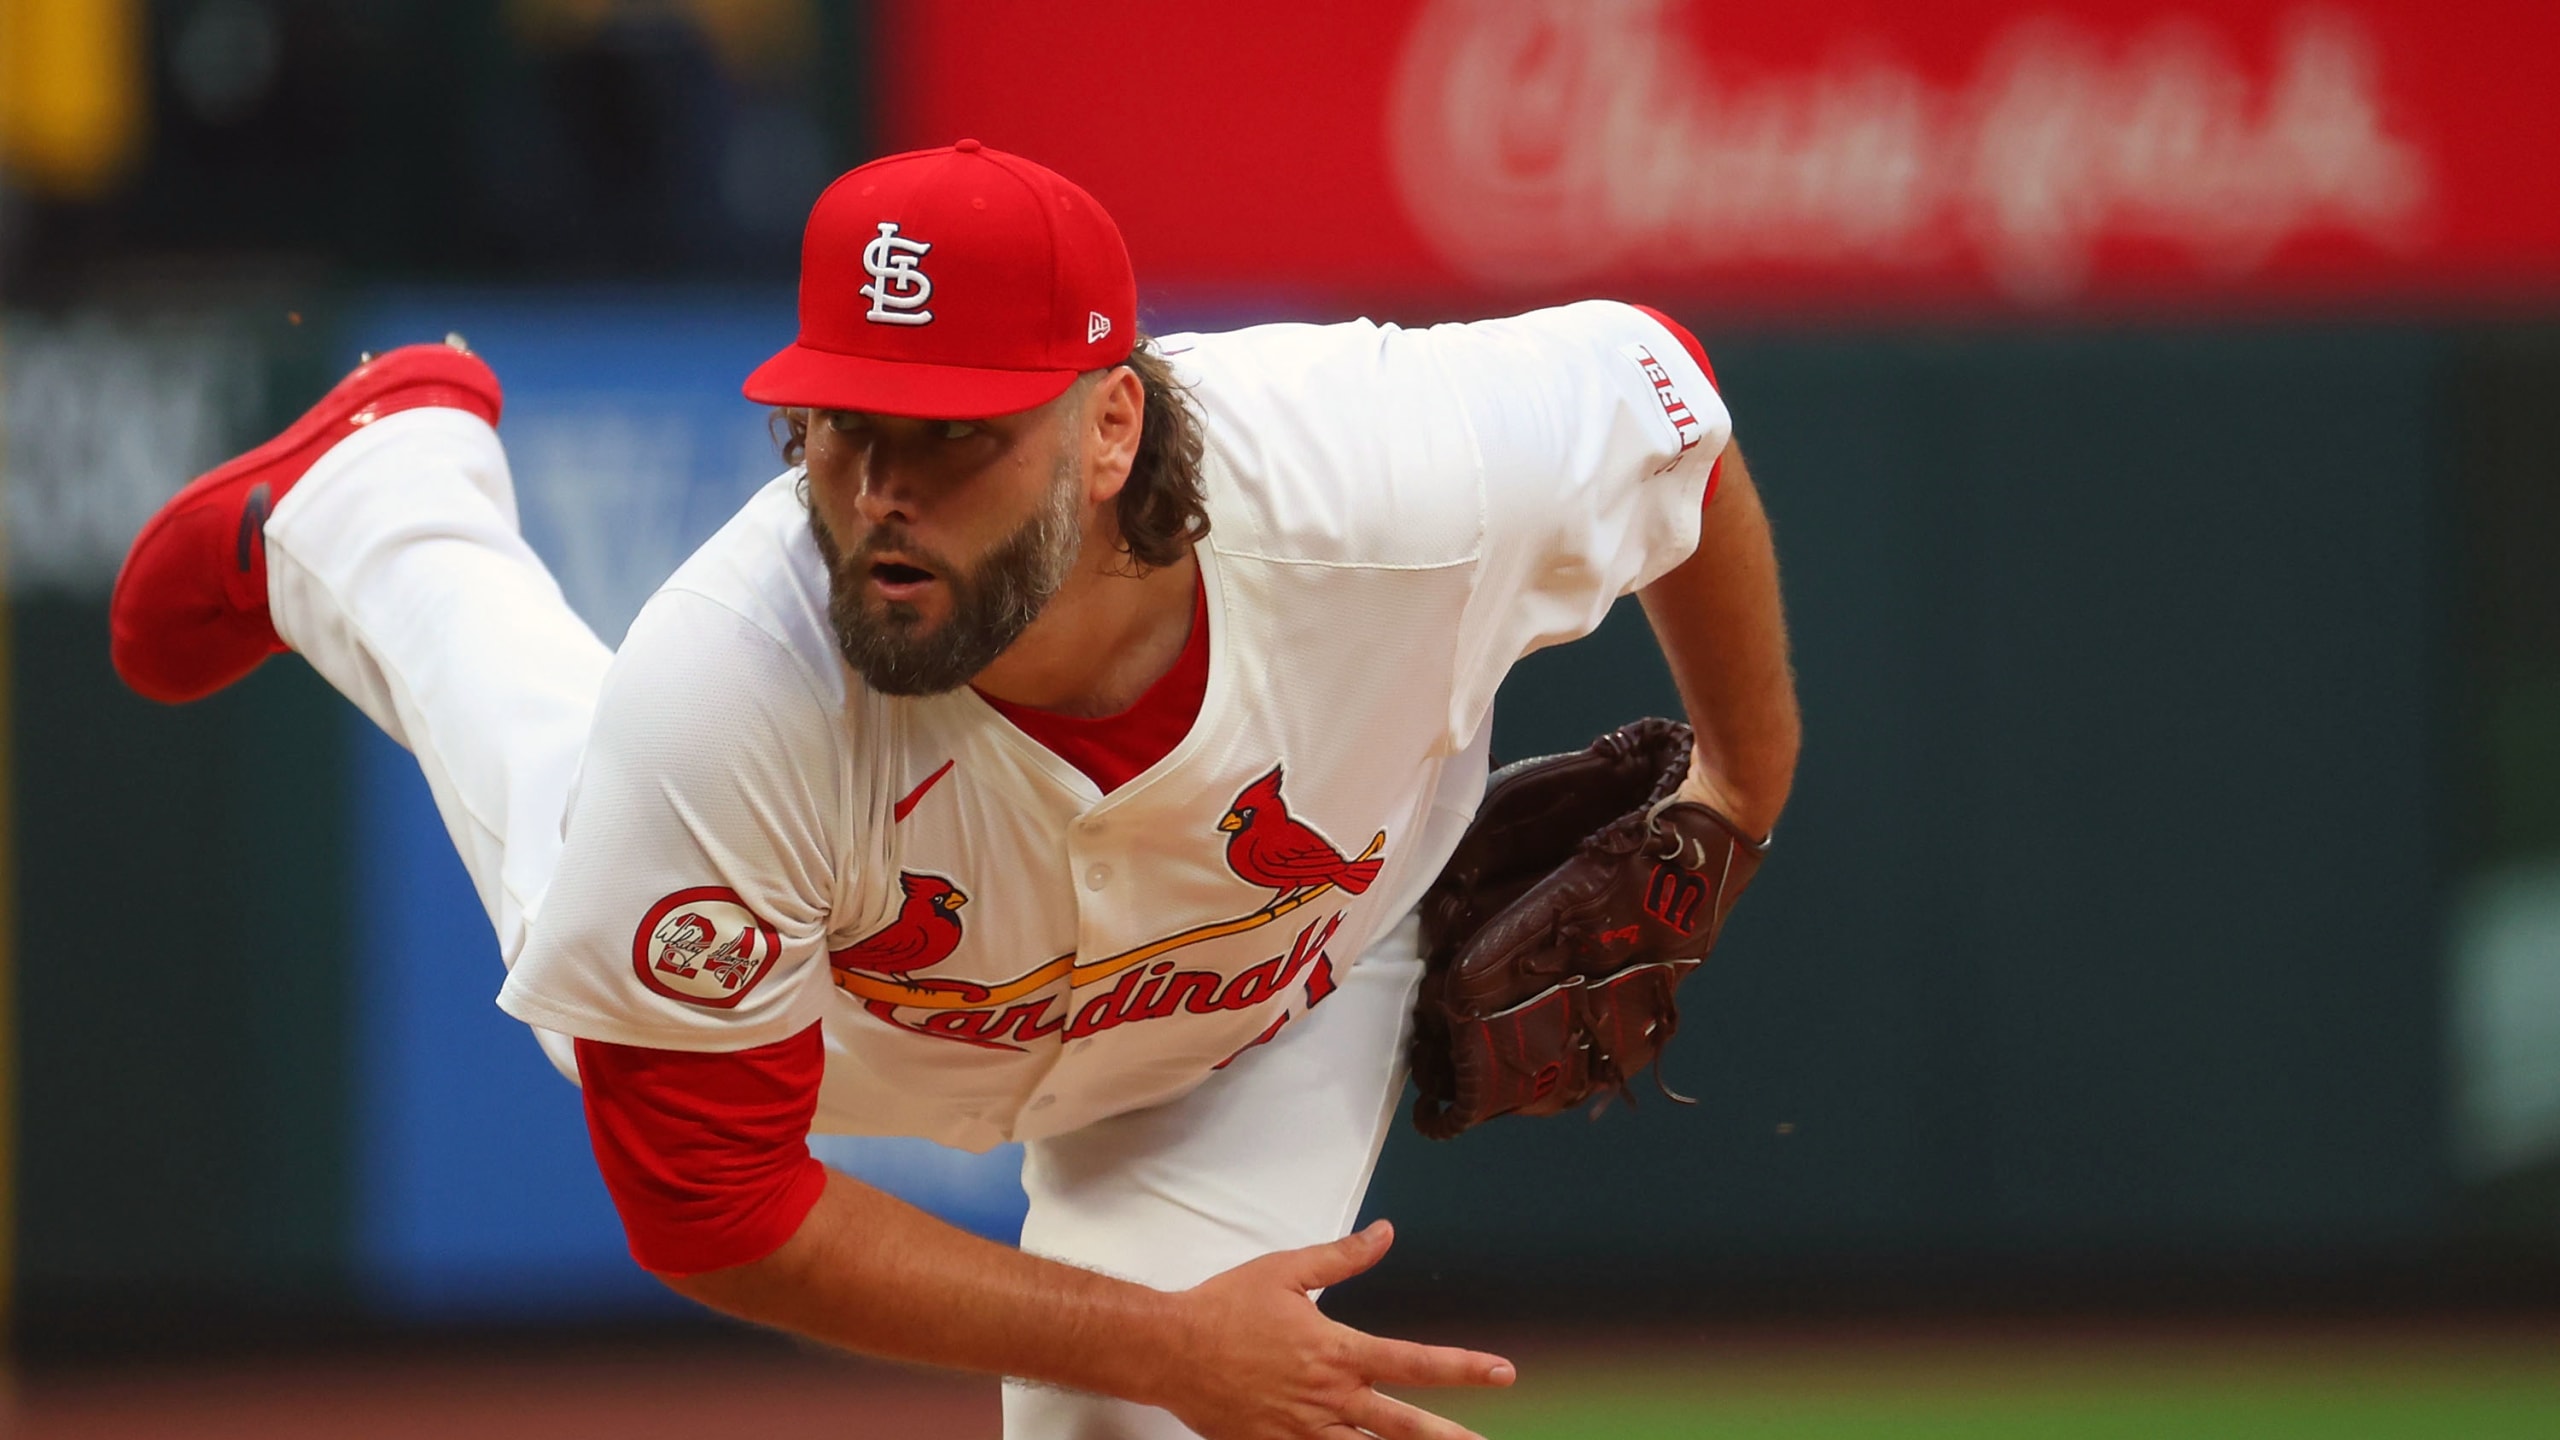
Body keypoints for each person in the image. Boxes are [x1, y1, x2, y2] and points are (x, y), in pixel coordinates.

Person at [109, 140, 1799, 1440]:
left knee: (1131, 1430)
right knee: (584, 852)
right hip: (860, 1028)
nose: (882, 497)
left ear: (1112, 428)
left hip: (1274, 995)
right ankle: (384, 505)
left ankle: (384, 500)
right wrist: (1166, 1339)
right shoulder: (741, 682)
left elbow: (1671, 410)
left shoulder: (1387, 482)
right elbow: (716, 1214)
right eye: (847, 429)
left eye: (956, 436)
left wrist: (1741, 790)